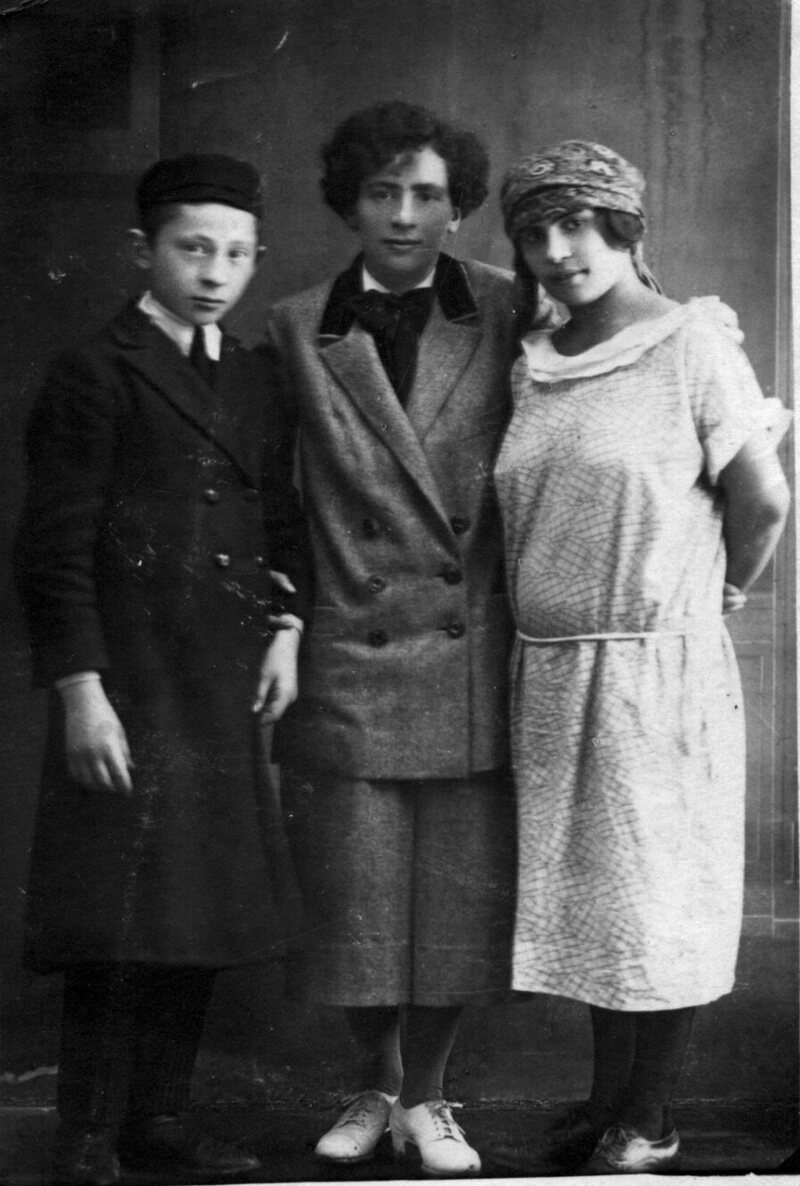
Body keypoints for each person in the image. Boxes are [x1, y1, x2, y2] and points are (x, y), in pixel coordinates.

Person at [489, 140, 790, 1175]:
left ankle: (650, 1116)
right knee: (594, 901)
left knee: (656, 894)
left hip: (652, 672)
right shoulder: (534, 359)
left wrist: (720, 593)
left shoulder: (689, 345)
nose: (555, 250)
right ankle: (605, 1100)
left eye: (577, 225)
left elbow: (761, 498)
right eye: (533, 233)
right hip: (550, 672)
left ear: (624, 230)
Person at [14, 153, 312, 1186]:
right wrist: (79, 691)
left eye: (235, 253)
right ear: (145, 251)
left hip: (217, 684)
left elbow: (280, 517)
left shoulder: (256, 374)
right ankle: (85, 1134)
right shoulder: (95, 372)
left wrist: (286, 625)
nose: (215, 271)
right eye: (194, 248)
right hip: (129, 683)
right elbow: (52, 551)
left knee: (196, 912)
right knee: (116, 917)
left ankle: (159, 1121)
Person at [262, 101, 542, 1177]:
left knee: (453, 897)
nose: (404, 214)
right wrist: (289, 617)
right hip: (350, 646)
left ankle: (429, 1098)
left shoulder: (512, 306)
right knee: (357, 892)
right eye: (382, 192)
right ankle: (374, 1085)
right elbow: (274, 500)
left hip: (469, 644)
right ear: (348, 201)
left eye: (427, 193)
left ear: (457, 201)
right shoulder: (296, 326)